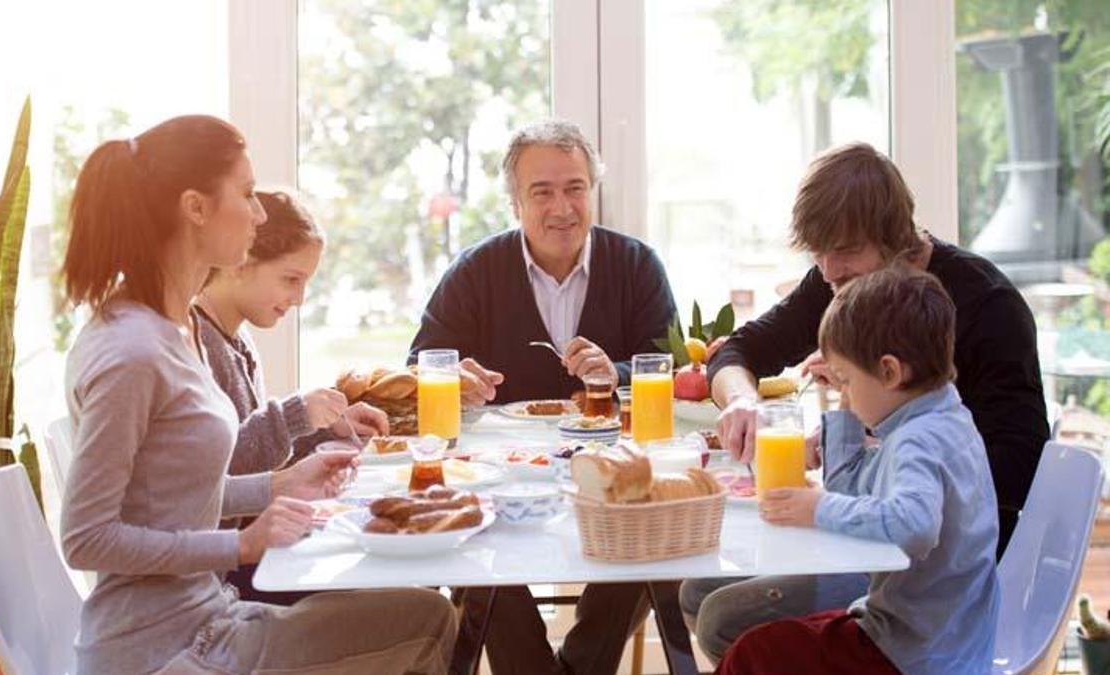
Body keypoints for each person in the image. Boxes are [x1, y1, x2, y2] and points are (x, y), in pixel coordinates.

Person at [60, 114, 456, 675]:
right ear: (195, 208)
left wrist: (279, 484)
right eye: (246, 194)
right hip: (161, 652)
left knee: (426, 614)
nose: (261, 212)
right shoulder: (131, 351)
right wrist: (240, 548)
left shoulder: (179, 328)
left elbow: (167, 495)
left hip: (213, 618)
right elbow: (87, 538)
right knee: (429, 622)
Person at [679, 142, 1046, 662]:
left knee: (727, 620)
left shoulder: (988, 307)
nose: (829, 272)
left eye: (845, 252)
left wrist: (881, 449)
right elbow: (740, 349)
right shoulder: (841, 281)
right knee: (695, 590)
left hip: (940, 566)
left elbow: (1020, 466)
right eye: (818, 253)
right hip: (884, 516)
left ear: (896, 240)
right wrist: (742, 402)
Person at [410, 119, 677, 675]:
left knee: (649, 536)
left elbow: (667, 368)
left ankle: (580, 666)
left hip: (610, 468)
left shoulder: (636, 266)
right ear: (515, 202)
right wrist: (454, 375)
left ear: (592, 191)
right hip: (498, 474)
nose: (563, 207)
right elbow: (421, 364)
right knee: (469, 543)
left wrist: (617, 372)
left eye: (575, 188)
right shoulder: (477, 270)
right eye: (542, 192)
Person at [716, 265, 1000, 675]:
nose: (842, 390)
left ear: (889, 371)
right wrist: (846, 409)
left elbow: (914, 526)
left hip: (914, 654)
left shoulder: (918, 440)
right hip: (932, 639)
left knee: (753, 654)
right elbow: (853, 494)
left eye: (847, 382)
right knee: (767, 642)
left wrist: (816, 508)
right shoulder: (942, 416)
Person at [194, 188, 390, 604]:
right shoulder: (197, 344)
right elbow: (215, 475)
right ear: (241, 262)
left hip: (251, 553)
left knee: (398, 559)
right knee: (399, 575)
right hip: (233, 574)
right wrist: (295, 414)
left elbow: (256, 456)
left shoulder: (234, 337)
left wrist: (322, 430)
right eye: (291, 279)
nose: (299, 299)